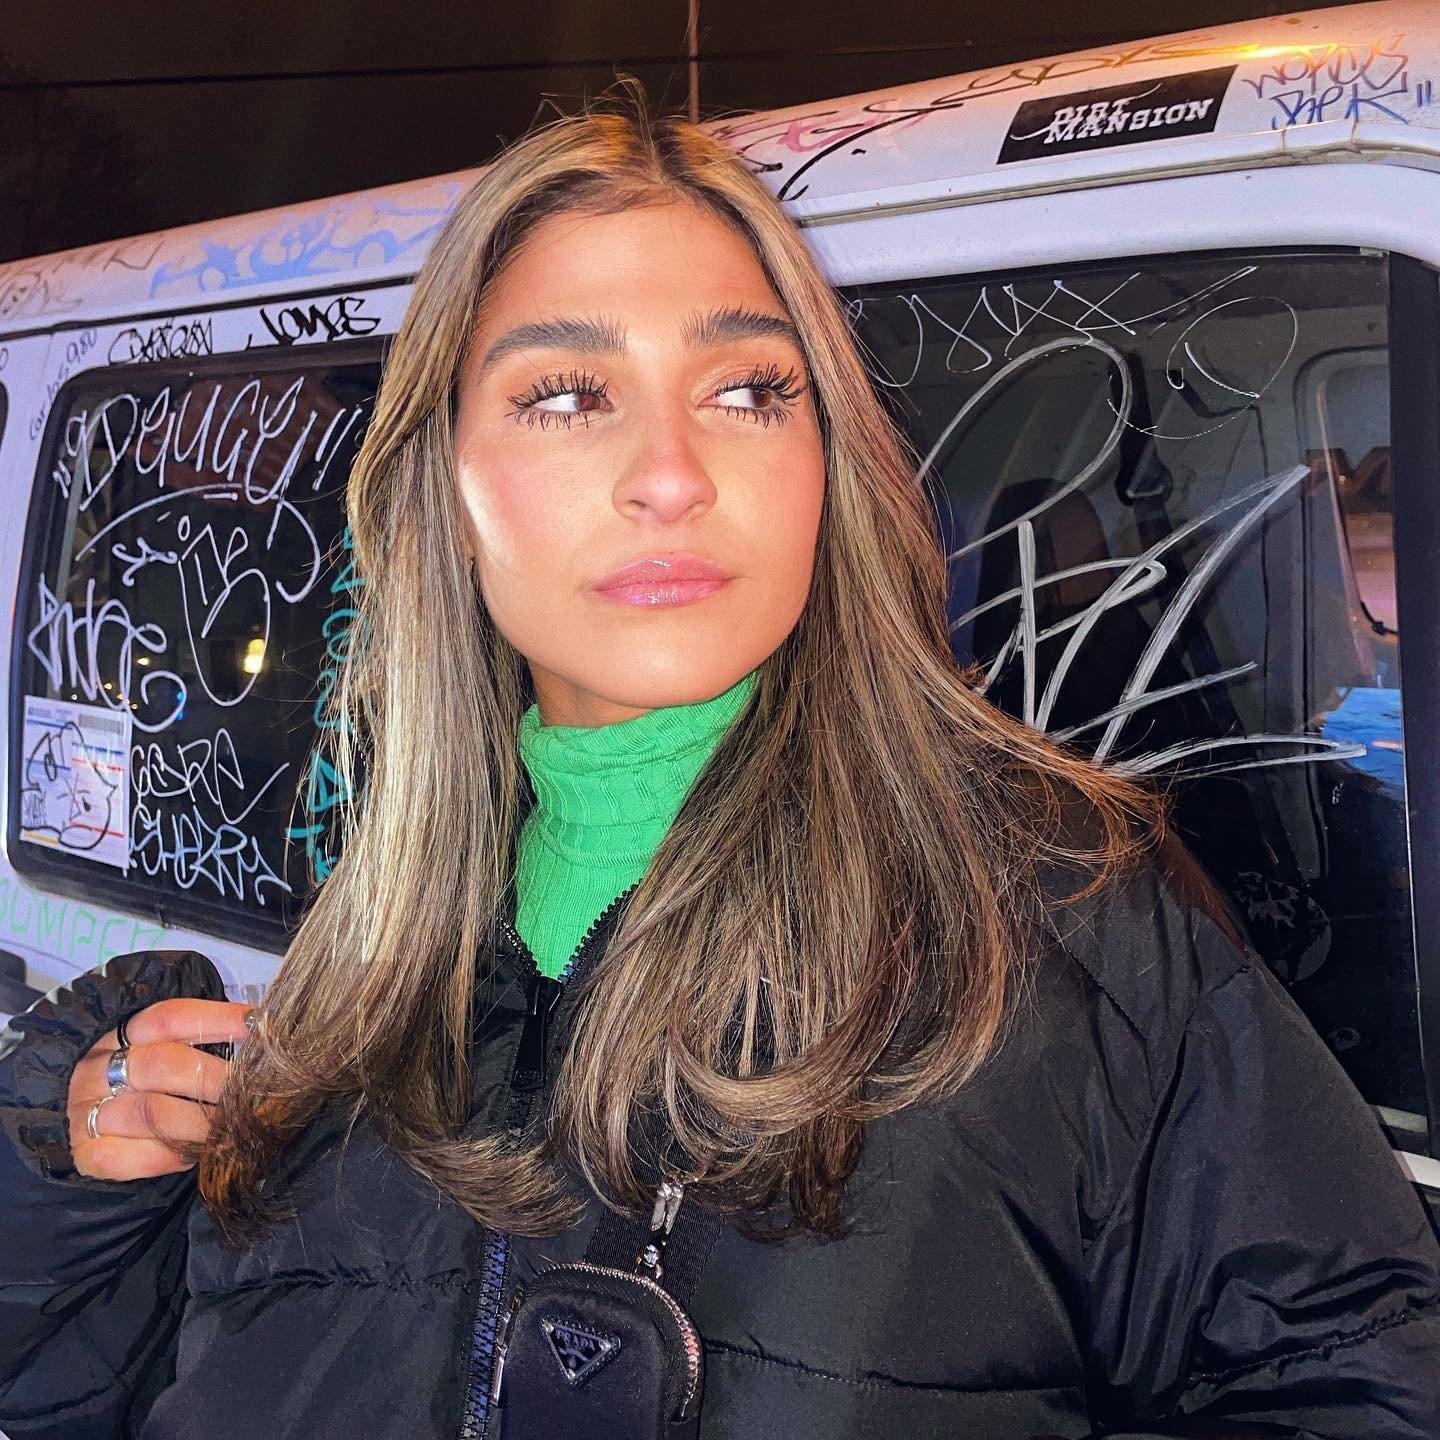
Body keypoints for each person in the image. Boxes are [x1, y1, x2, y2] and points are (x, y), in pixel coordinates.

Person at [2, 82, 1438, 1440]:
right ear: (443, 476)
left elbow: (1360, 1372)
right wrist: (87, 1190)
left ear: (828, 457)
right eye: (567, 394)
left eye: (750, 388)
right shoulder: (367, 939)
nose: (674, 475)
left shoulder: (1059, 919)